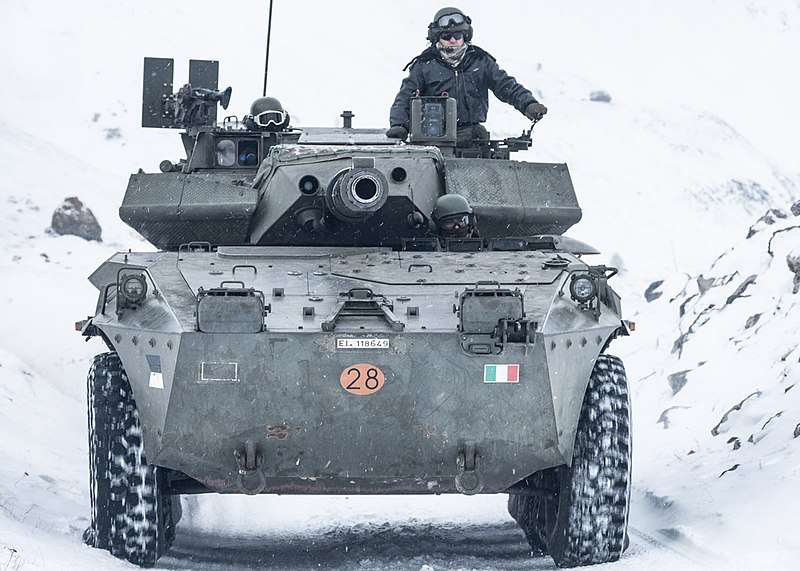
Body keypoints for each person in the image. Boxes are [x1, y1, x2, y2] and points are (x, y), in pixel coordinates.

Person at [387, 7, 547, 143]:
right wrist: (400, 126)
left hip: (473, 137)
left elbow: (506, 86)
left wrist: (528, 104)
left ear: (466, 36)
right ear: (437, 38)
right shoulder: (424, 65)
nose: (452, 40)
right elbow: (405, 98)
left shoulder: (480, 61)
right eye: (446, 36)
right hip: (433, 139)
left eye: (457, 35)